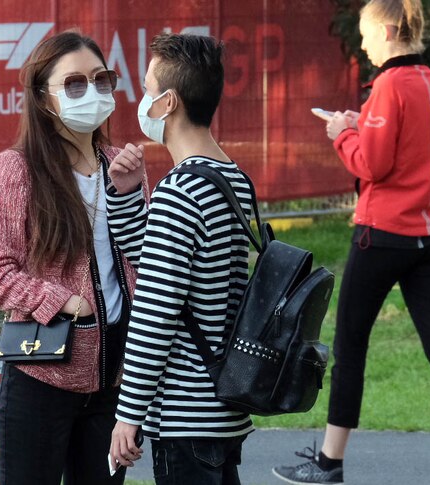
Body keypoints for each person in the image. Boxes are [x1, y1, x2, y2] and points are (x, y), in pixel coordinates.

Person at [271, 1, 430, 485]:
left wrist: (342, 133)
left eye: (368, 36)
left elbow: (371, 165)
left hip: (383, 234)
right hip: (429, 235)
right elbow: (406, 147)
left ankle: (329, 464)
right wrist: (361, 121)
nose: (364, 45)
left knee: (349, 344)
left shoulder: (389, 85)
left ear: (389, 31)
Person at [0, 31, 143, 485]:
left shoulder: (119, 165)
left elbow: (142, 261)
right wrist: (66, 301)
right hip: (42, 376)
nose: (91, 92)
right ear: (42, 96)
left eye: (101, 79)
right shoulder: (16, 168)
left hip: (113, 379)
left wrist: (133, 197)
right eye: (73, 84)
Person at [105, 33, 254, 485]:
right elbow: (161, 267)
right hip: (222, 407)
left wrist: (128, 415)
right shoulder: (233, 179)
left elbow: (156, 311)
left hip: (186, 415)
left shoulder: (179, 192)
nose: (142, 99)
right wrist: (128, 196)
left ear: (168, 103)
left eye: (148, 90)